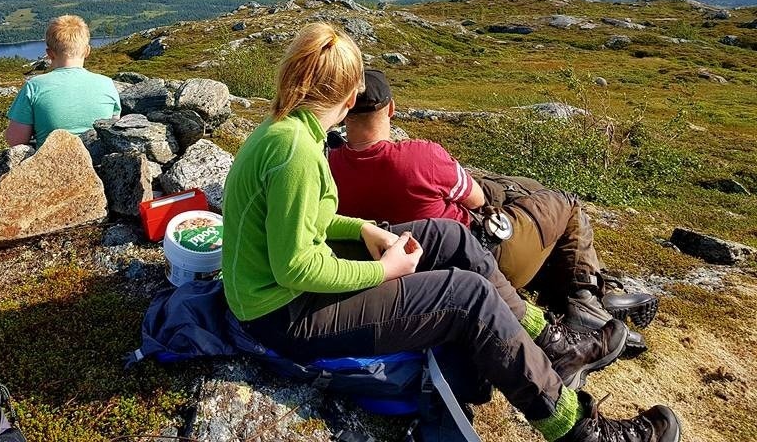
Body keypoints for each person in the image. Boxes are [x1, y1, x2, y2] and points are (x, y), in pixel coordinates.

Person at [221, 23, 680, 442]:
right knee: (466, 296)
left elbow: (301, 225)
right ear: (345, 96)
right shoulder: (296, 153)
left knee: (450, 237)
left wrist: (362, 226)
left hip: (275, 292)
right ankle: (577, 430)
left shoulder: (284, 130)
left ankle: (551, 347)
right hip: (285, 314)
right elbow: (296, 266)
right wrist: (385, 271)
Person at [328, 69, 658, 338]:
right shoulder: (420, 156)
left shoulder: (329, 169)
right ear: (391, 108)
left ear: (345, 112)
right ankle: (588, 301)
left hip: (417, 283)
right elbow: (478, 198)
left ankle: (585, 302)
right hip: (483, 261)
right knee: (565, 204)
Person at [5, 15, 120, 148]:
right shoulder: (107, 84)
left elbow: (15, 140)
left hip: (51, 165)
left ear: (49, 54)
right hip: (99, 165)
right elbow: (113, 130)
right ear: (87, 51)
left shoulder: (34, 86)